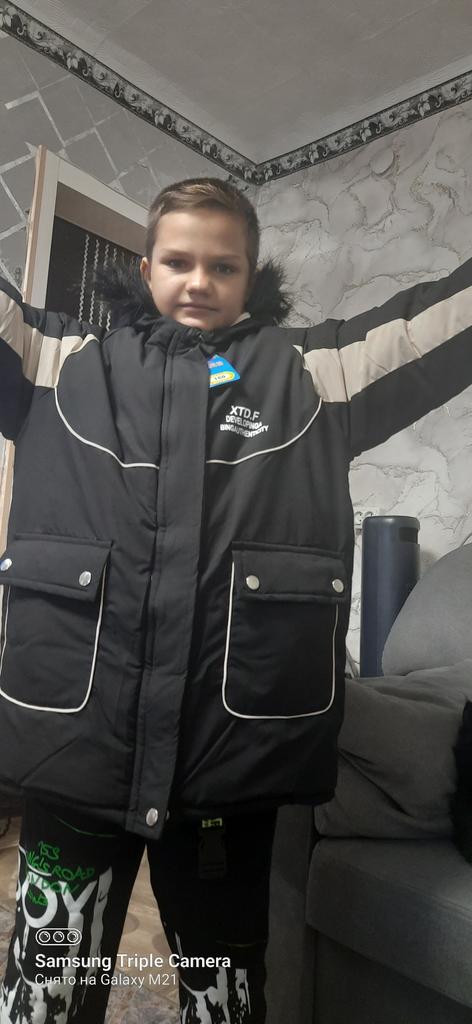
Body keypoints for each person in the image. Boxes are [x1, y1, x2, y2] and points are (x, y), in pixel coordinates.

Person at [0, 174, 471, 1023]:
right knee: (47, 987)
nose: (199, 281)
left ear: (251, 278)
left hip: (228, 770)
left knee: (224, 989)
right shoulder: (56, 365)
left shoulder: (313, 376)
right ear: (144, 268)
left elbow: (430, 328)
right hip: (77, 754)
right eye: (178, 261)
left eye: (223, 266)